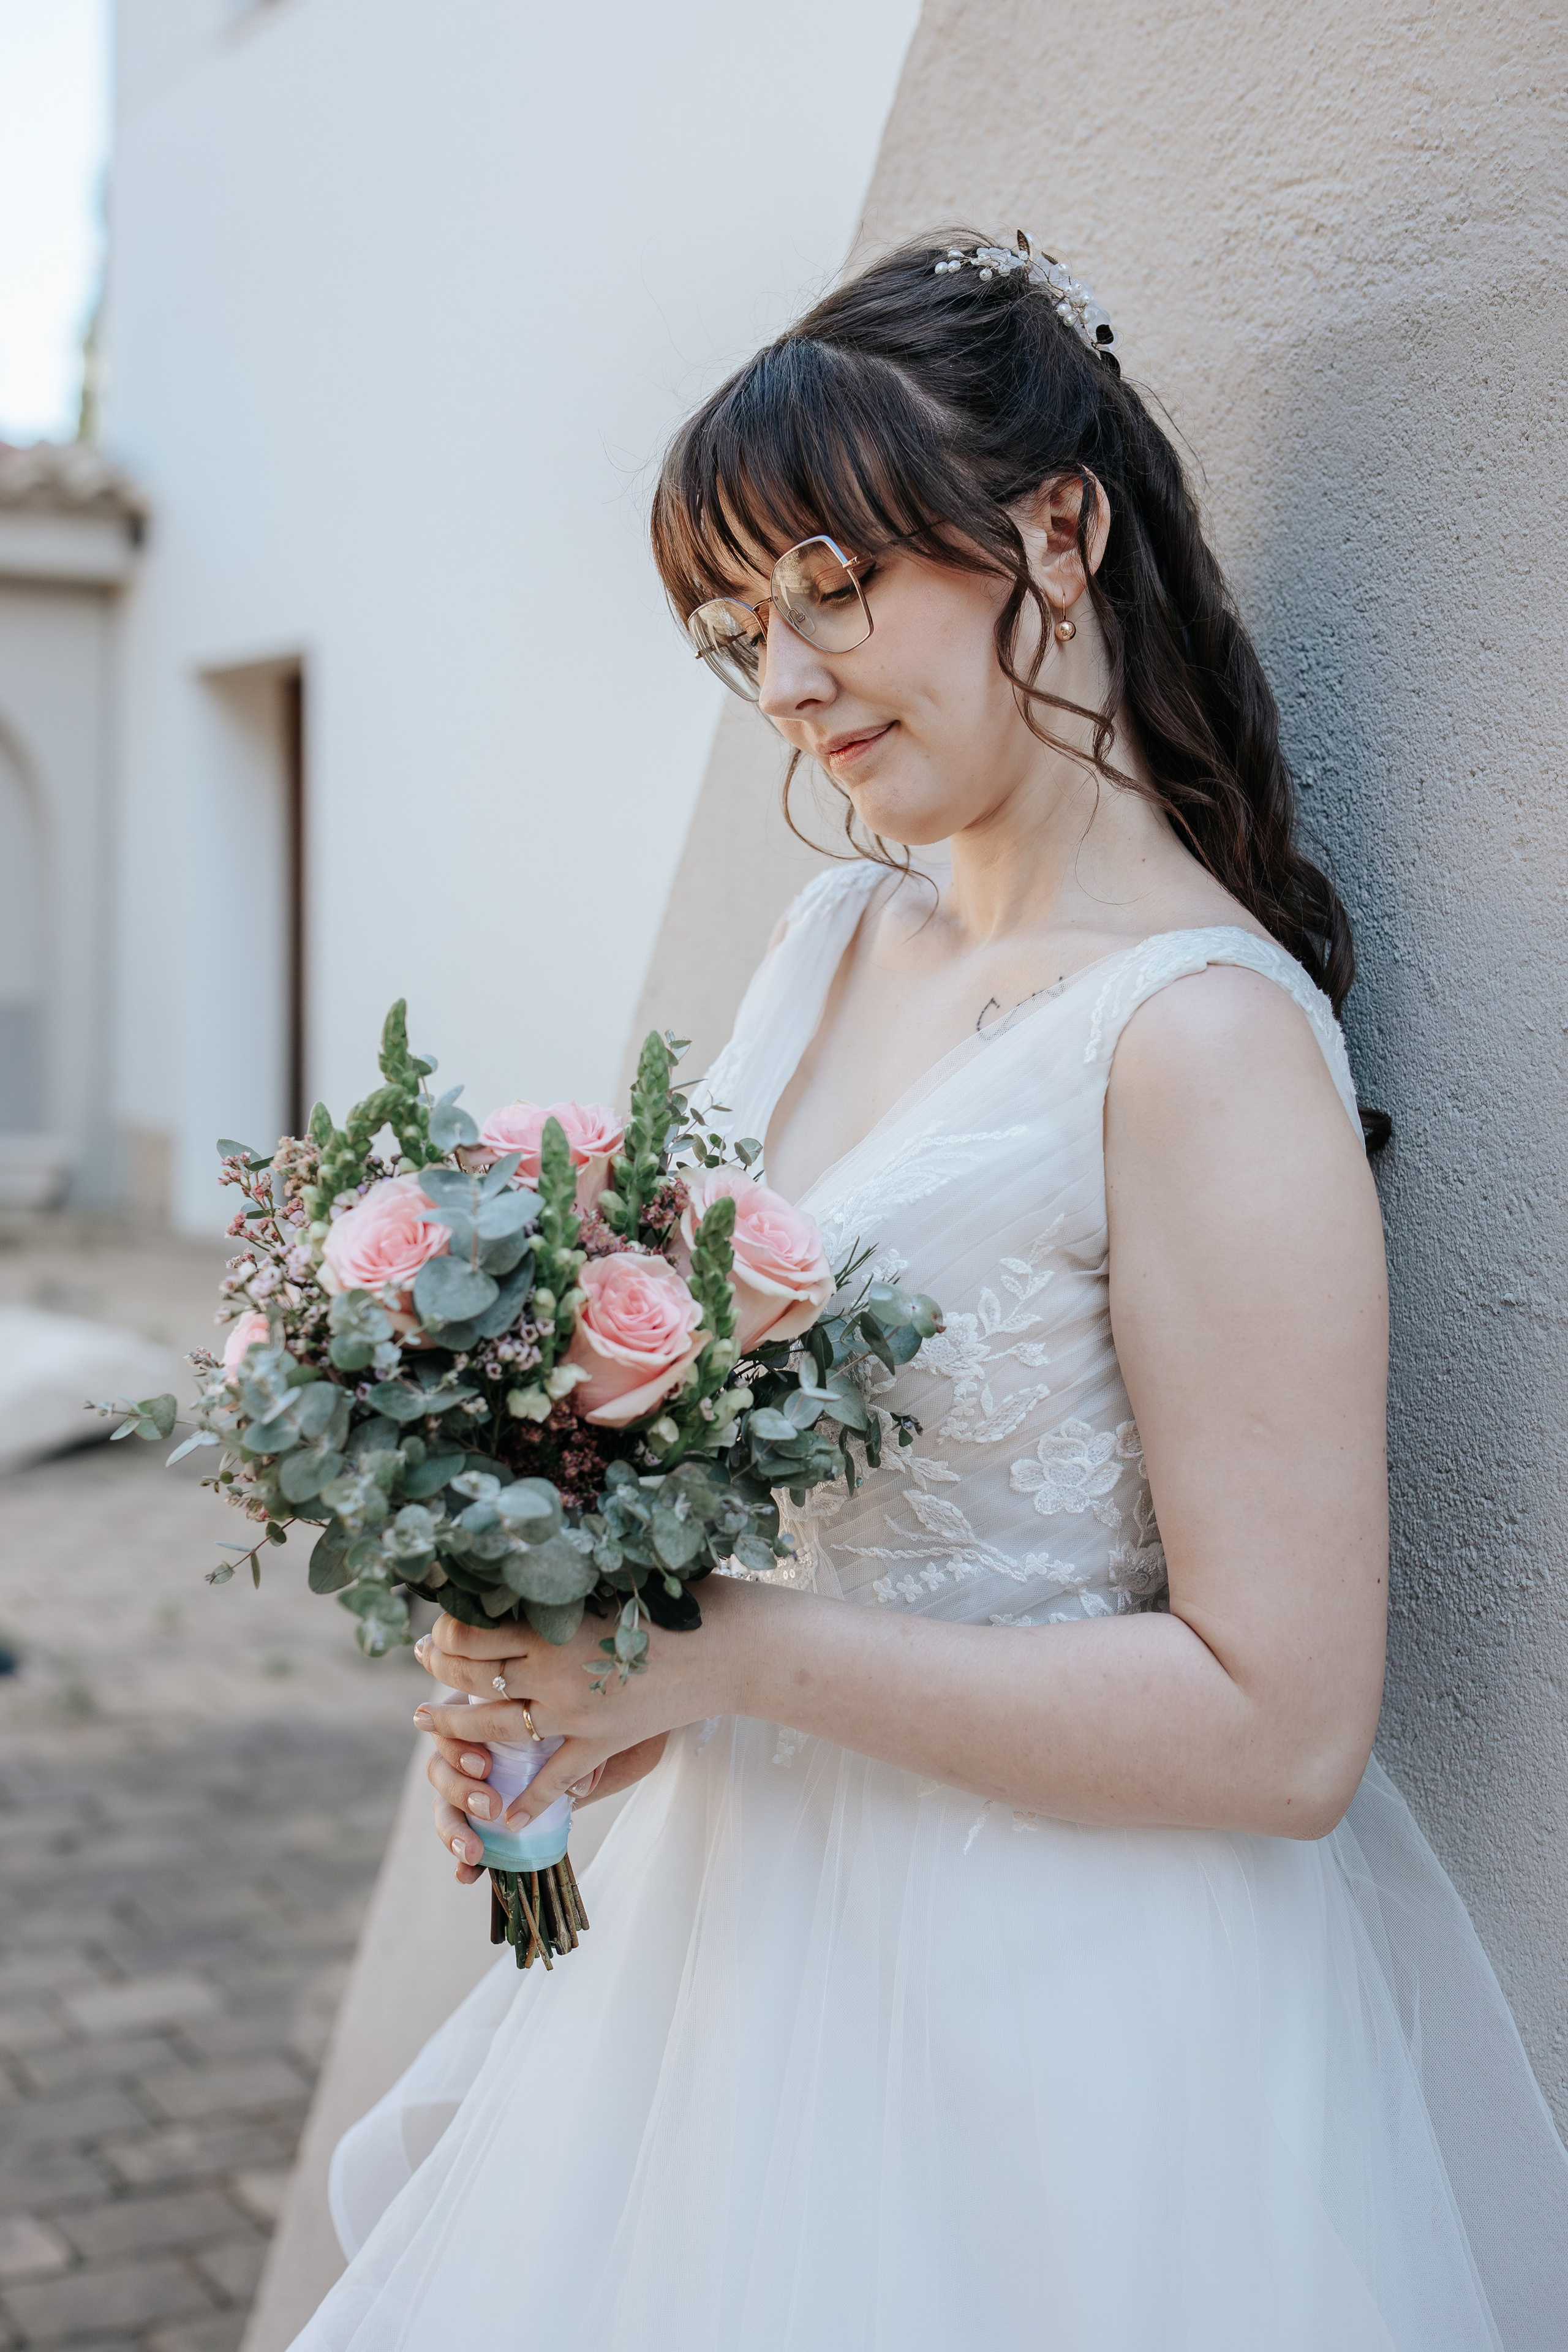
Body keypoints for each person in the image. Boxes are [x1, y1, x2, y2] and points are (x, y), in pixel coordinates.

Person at [293, 234, 1568, 2351]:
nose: (783, 679)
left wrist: (722, 1656)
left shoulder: (1201, 1043)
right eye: (736, 627)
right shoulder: (834, 945)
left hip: (1059, 2014)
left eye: (828, 584)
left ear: (1052, 531)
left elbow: (1288, 1724)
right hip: (730, 1953)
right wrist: (589, 1683)